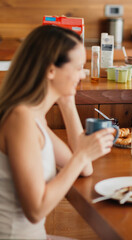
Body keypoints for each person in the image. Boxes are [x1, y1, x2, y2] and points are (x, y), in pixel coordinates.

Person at [0, 25, 115, 238]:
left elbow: (84, 169)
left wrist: (67, 103)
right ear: (51, 70)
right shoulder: (20, 119)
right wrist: (82, 156)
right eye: (79, 67)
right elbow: (36, 211)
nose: (83, 74)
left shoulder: (34, 116)